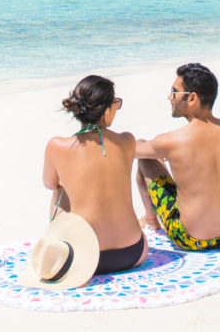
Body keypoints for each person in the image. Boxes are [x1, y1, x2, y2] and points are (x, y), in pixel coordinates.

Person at [134, 63, 220, 251]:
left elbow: (133, 150)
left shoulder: (172, 141)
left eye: (174, 92)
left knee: (146, 158)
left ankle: (151, 220)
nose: (169, 97)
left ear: (192, 98)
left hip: (192, 239)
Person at [42, 75, 147, 277]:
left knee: (59, 187)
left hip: (85, 259)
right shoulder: (126, 141)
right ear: (106, 109)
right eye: (116, 103)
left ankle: (58, 244)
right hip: (133, 251)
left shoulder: (57, 146)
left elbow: (49, 184)